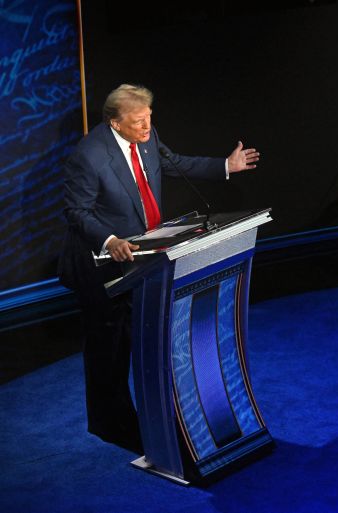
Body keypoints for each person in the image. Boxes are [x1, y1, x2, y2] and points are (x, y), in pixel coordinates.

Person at [57, 84, 260, 454]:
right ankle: (109, 423)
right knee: (110, 348)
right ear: (115, 123)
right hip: (102, 266)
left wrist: (225, 166)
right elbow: (77, 213)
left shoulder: (147, 136)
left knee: (140, 339)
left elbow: (175, 162)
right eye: (139, 122)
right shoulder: (88, 156)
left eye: (150, 118)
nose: (147, 127)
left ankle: (149, 417)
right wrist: (110, 240)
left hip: (143, 260)